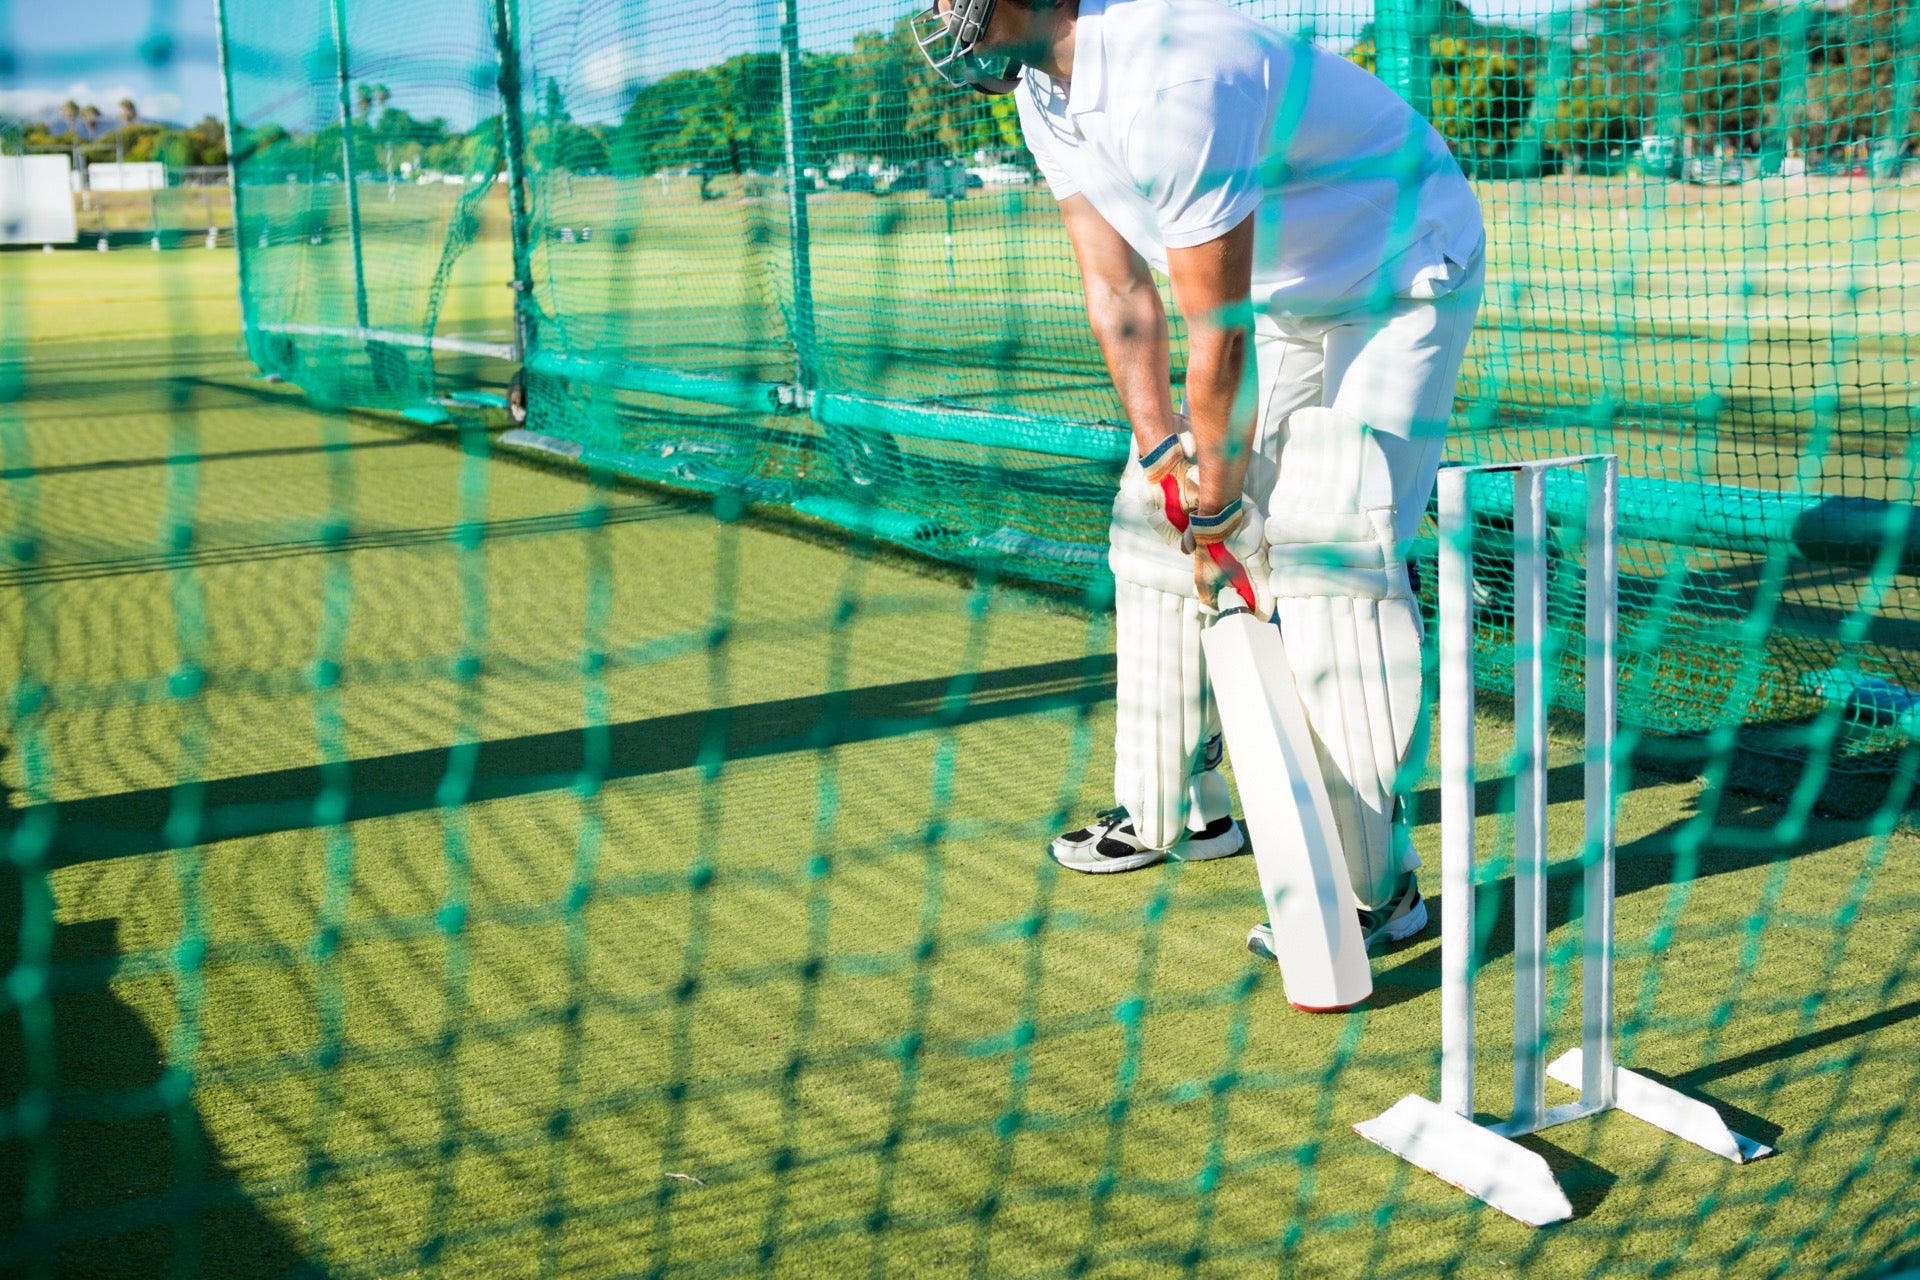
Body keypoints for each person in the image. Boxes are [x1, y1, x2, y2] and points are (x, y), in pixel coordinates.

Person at [914, 0, 1485, 954]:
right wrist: (1163, 458)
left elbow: (1217, 337)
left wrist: (1218, 512)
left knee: (1323, 547)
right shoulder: (1042, 96)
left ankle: (1377, 893)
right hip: (1281, 293)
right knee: (1149, 521)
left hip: (1395, 274)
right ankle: (1181, 803)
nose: (937, 13)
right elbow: (1118, 289)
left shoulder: (1175, 76)